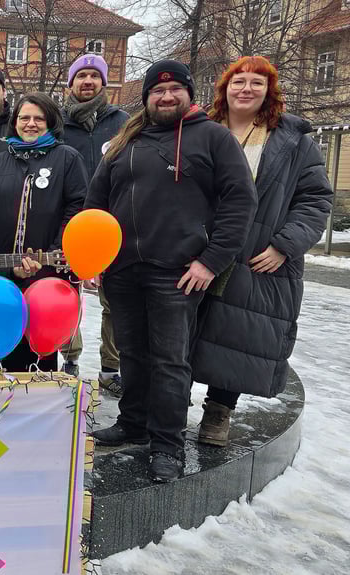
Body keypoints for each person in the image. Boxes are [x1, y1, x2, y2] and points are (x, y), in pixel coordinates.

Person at [85, 60, 257, 483]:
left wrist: (210, 261)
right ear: (146, 98)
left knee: (169, 362)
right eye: (157, 91)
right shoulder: (127, 140)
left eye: (174, 90)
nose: (165, 97)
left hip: (178, 272)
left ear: (188, 93)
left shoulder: (213, 138)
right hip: (122, 270)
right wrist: (92, 256)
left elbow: (241, 203)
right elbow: (96, 202)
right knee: (131, 353)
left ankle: (167, 444)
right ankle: (134, 422)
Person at [191, 56, 332, 446]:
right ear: (224, 88)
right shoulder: (200, 128)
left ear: (269, 91)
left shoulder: (292, 142)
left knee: (234, 332)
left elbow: (315, 199)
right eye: (238, 81)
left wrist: (285, 244)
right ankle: (168, 407)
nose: (246, 89)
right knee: (183, 328)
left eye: (257, 82)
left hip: (257, 251)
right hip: (196, 245)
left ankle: (218, 412)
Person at [0, 92, 87, 372]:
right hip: (5, 271)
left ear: (51, 122)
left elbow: (76, 208)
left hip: (48, 273)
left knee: (39, 349)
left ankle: (37, 407)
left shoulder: (66, 158)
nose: (31, 124)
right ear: (14, 122)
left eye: (39, 118)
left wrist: (52, 253)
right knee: (3, 343)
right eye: (24, 117)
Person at [59, 53, 130, 389]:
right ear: (70, 83)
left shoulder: (123, 122)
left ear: (104, 82)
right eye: (81, 75)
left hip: (112, 221)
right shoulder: (58, 122)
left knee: (113, 299)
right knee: (68, 293)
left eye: (94, 76)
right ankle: (69, 358)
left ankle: (110, 368)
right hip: (71, 219)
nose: (87, 81)